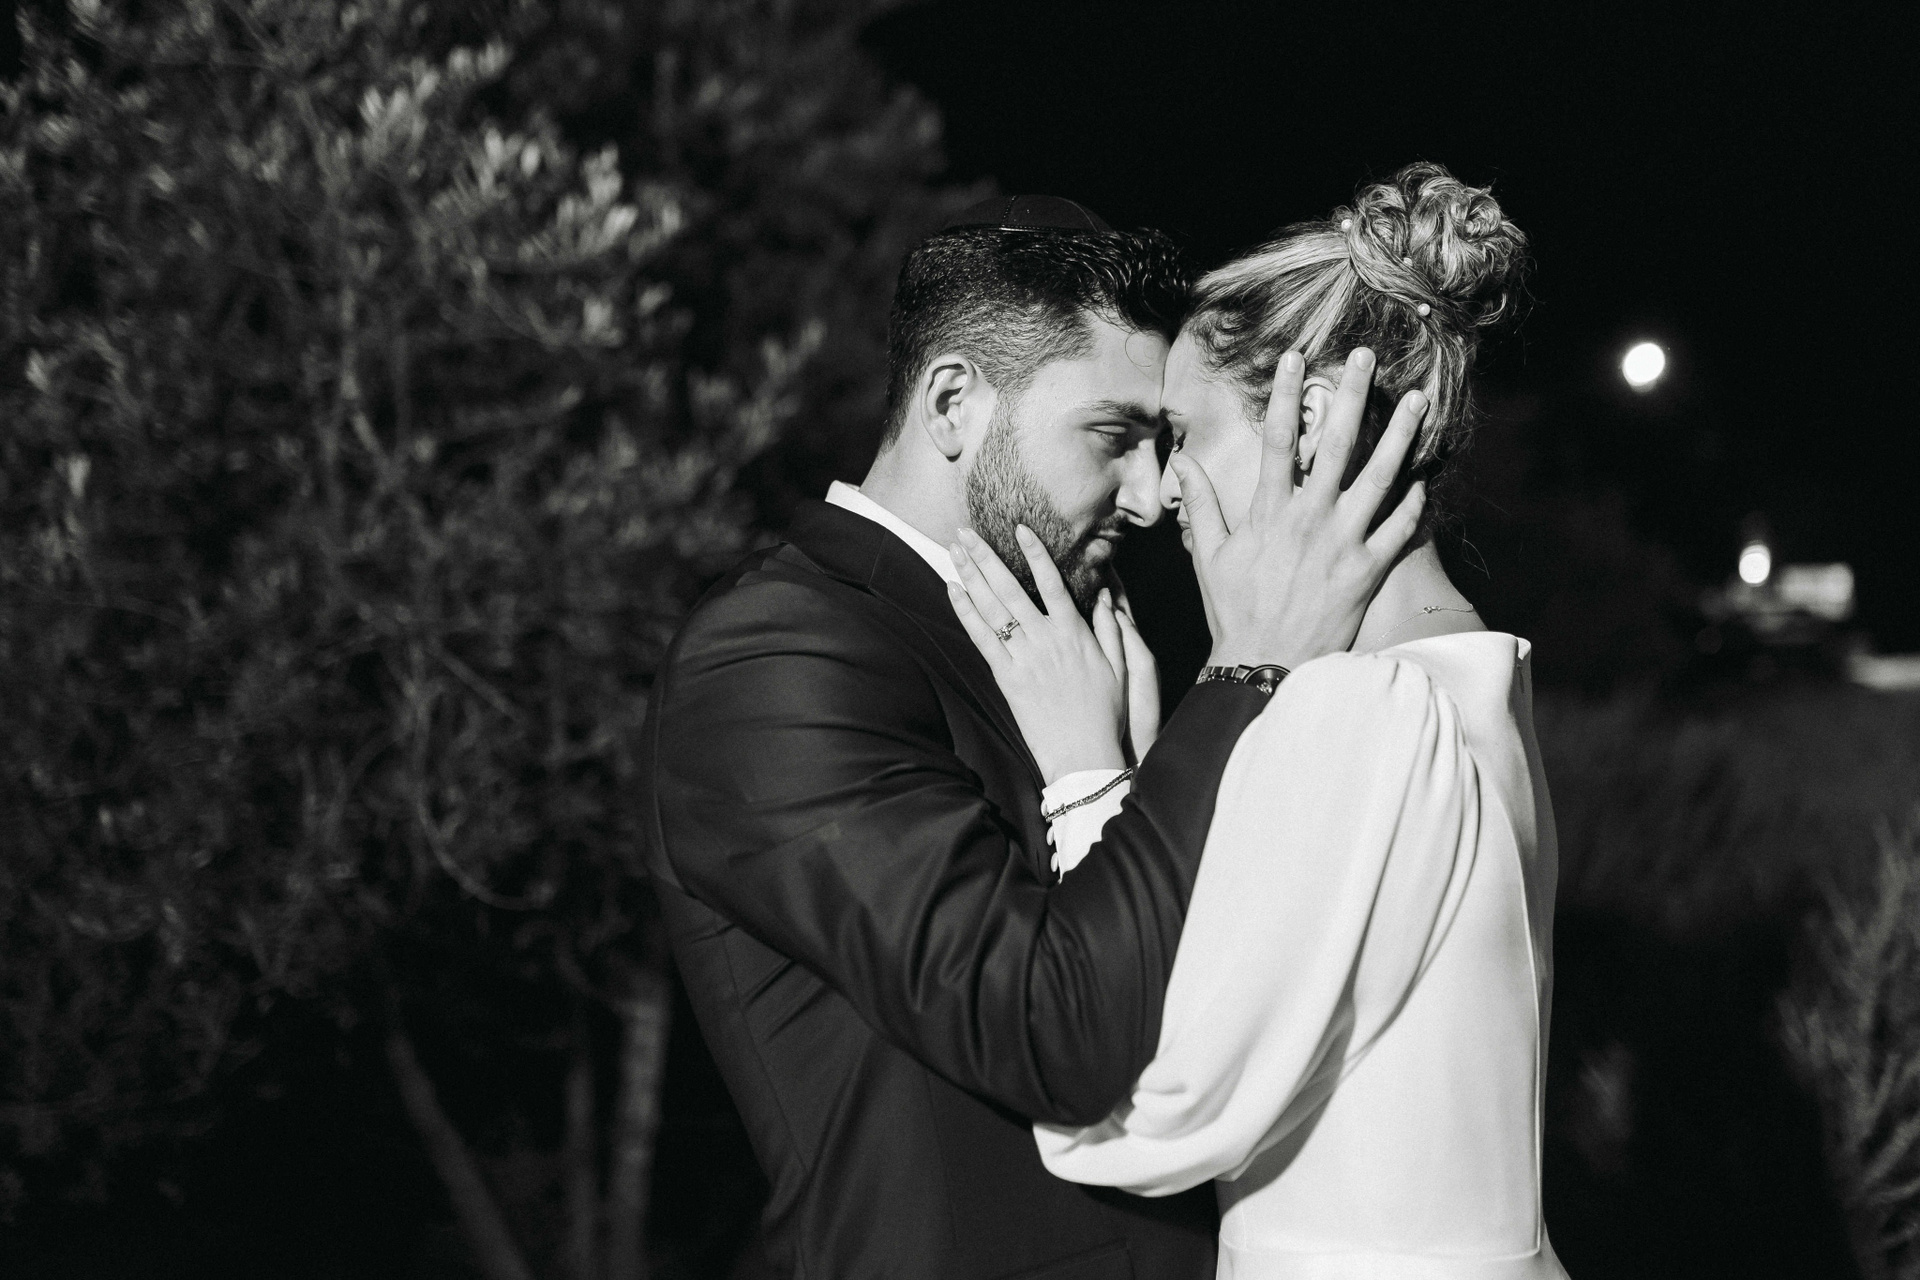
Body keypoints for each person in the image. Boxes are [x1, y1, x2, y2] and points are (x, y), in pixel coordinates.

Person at [639, 195, 1428, 1280]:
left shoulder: (1064, 636)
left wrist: (1131, 779)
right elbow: (1051, 1030)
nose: (1148, 495)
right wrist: (1247, 670)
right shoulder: (775, 656)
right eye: (1114, 436)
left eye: (1162, 443)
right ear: (953, 403)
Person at [946, 163, 1568, 1278]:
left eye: (1184, 434)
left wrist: (1088, 780)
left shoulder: (1361, 713)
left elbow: (1137, 1111)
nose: (1160, 493)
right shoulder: (1468, 681)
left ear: (1309, 421)